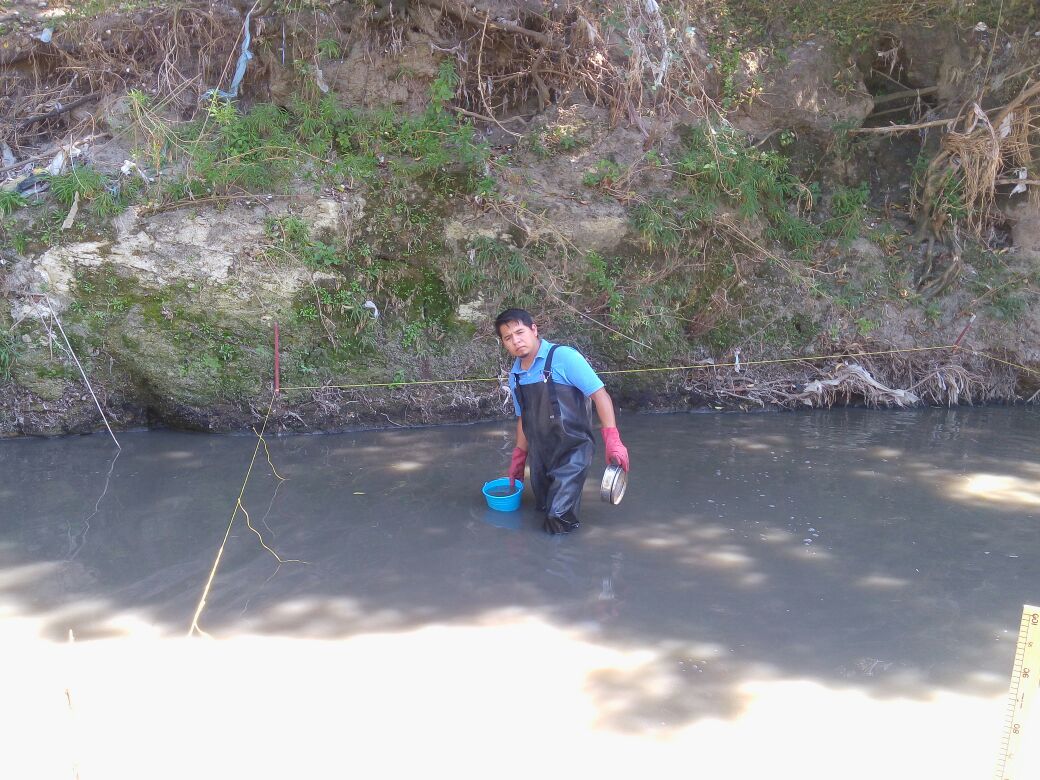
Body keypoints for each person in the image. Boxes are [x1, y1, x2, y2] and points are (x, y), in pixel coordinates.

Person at [496, 308, 630, 535]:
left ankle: (559, 555)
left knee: (557, 519)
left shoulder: (564, 357)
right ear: (504, 343)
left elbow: (600, 396)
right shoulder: (515, 376)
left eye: (520, 332)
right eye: (508, 338)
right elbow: (524, 418)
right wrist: (519, 458)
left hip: (572, 451)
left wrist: (613, 439)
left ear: (534, 330)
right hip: (540, 455)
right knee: (542, 509)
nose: (516, 341)